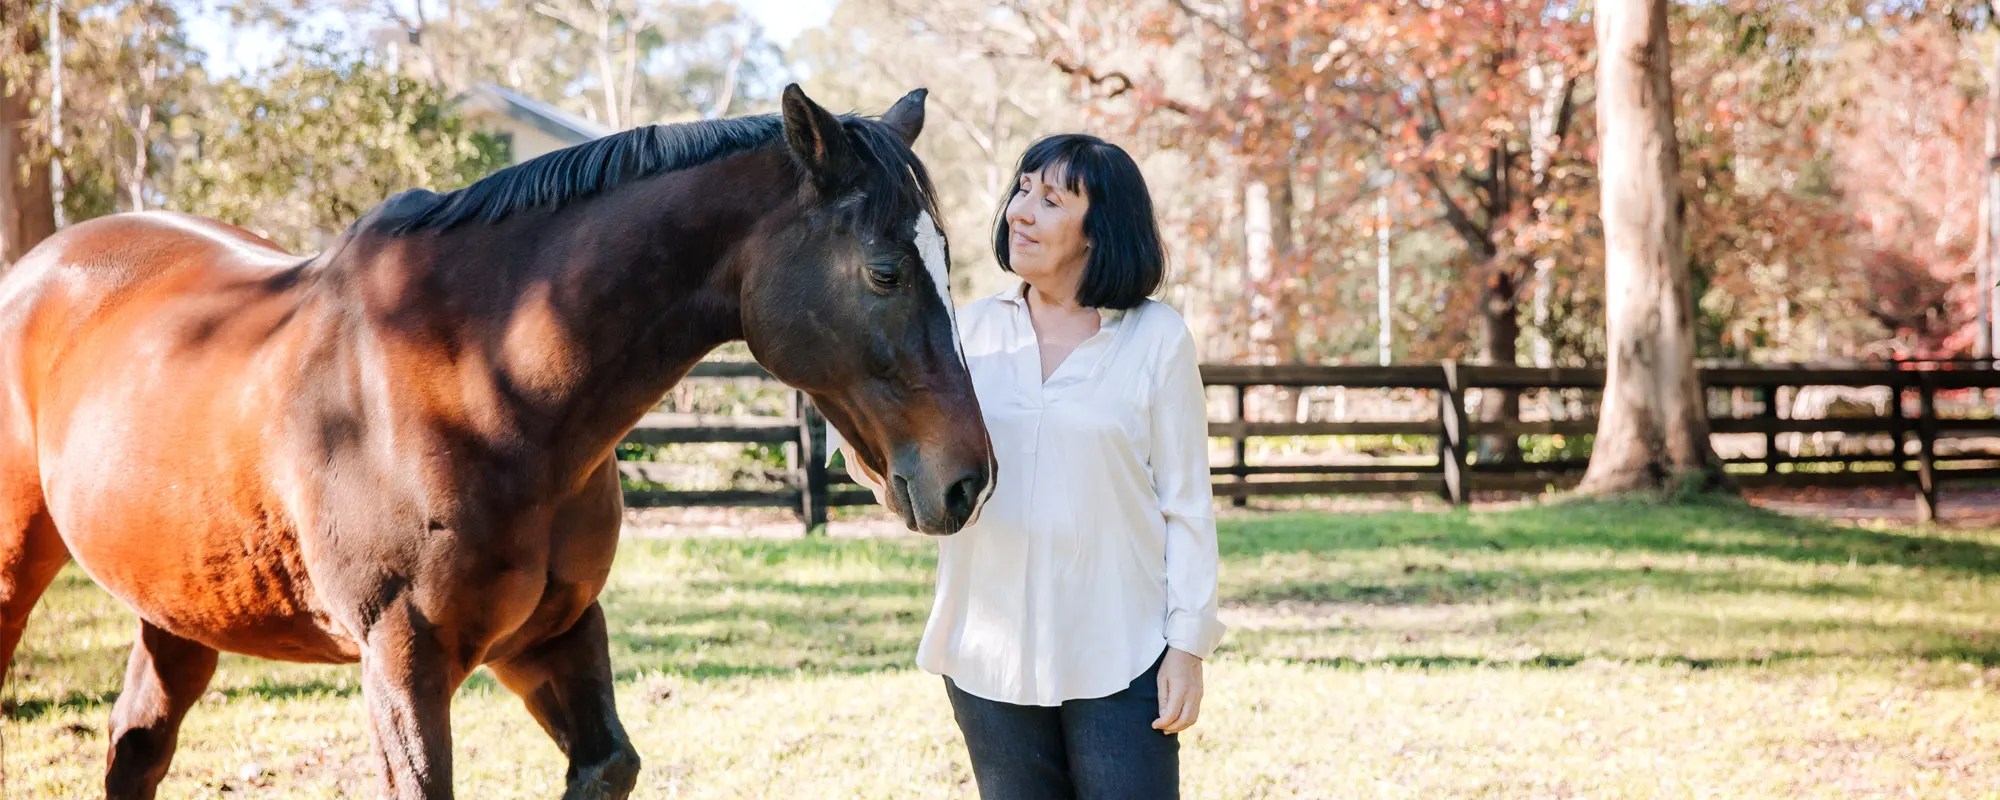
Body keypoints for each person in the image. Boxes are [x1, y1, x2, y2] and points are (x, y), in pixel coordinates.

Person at [840, 133, 1224, 799]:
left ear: (1100, 229)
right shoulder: (961, 333)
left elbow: (1186, 502)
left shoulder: (1156, 338)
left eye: (1050, 200)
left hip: (1122, 649)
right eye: (1022, 190)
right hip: (988, 656)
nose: (1020, 211)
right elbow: (886, 457)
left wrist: (1187, 647)